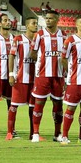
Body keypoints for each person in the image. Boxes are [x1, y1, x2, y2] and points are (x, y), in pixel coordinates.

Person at [30, 10, 65, 143]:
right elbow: (32, 53)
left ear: (57, 19)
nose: (48, 20)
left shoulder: (63, 35)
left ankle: (57, 134)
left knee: (58, 105)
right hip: (43, 75)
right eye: (47, 18)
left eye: (51, 18)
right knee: (39, 103)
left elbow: (66, 55)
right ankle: (36, 133)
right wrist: (41, 63)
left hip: (59, 76)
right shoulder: (39, 34)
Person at [59, 14, 81, 145]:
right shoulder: (70, 40)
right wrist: (70, 73)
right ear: (76, 25)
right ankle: (65, 136)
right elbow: (63, 59)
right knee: (71, 109)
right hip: (74, 81)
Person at [7, 16, 38, 140]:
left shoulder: (38, 40)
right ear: (27, 26)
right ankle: (10, 132)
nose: (36, 25)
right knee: (14, 105)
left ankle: (33, 133)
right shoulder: (18, 39)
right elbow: (12, 56)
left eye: (36, 23)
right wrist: (11, 74)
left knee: (33, 107)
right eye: (33, 23)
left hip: (35, 80)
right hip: (20, 78)